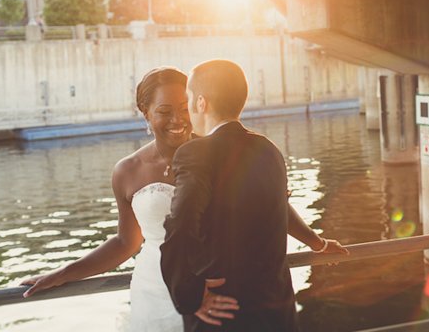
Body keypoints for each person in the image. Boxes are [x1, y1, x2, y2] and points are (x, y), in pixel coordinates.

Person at [21, 66, 346, 331]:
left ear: (196, 103)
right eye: (164, 111)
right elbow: (126, 242)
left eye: (183, 107)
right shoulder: (127, 171)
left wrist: (316, 243)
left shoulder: (221, 151)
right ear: (145, 114)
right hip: (154, 292)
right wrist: (63, 273)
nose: (178, 119)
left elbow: (272, 205)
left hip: (217, 293)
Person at [161, 59, 311, 331]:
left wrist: (189, 296)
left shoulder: (195, 152)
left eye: (189, 99)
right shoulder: (269, 150)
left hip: (224, 314)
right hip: (277, 310)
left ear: (201, 103)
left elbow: (181, 225)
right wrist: (317, 242)